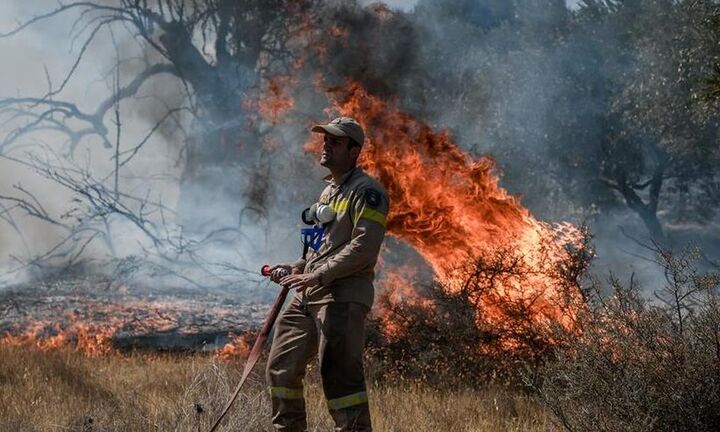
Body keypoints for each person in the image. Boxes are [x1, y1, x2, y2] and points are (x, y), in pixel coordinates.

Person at [265, 116, 389, 432]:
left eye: (335, 141)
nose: (326, 145)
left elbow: (364, 247)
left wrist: (317, 276)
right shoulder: (328, 194)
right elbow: (321, 248)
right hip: (309, 292)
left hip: (342, 295)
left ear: (354, 150)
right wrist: (296, 269)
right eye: (326, 139)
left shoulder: (368, 192)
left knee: (339, 378)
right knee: (281, 368)